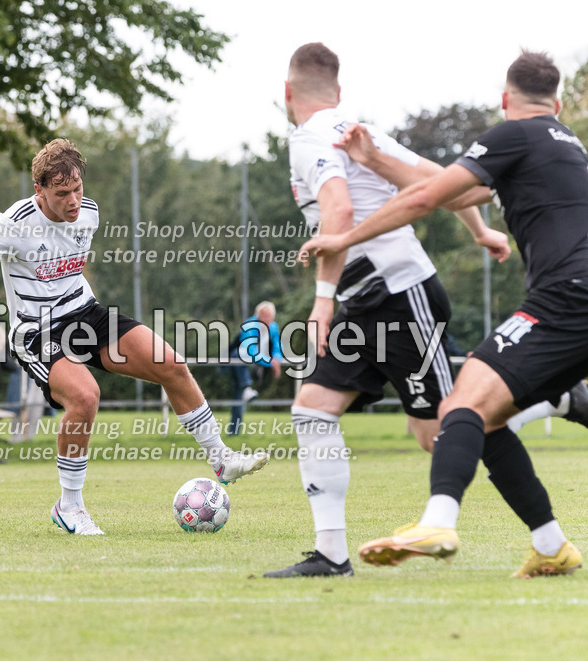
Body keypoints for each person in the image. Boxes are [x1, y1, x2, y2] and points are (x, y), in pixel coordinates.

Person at [0, 138, 269, 534]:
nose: (73, 200)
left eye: (77, 189)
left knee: (170, 364)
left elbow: (69, 266)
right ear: (39, 190)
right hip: (38, 332)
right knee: (85, 397)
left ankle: (222, 458)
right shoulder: (13, 224)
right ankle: (69, 506)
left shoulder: (88, 212)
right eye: (61, 193)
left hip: (85, 313)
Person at [300, 50, 586, 578]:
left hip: (568, 297)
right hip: (574, 301)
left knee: (461, 405)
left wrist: (344, 235)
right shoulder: (567, 145)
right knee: (490, 416)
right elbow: (467, 189)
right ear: (559, 101)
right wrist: (375, 158)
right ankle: (551, 546)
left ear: (505, 100)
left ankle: (438, 519)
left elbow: (427, 196)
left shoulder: (511, 136)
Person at [263, 43, 511, 579]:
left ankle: (553, 393)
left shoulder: (309, 138)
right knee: (312, 408)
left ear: (287, 92)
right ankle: (330, 556)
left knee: (438, 433)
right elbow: (440, 177)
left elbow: (340, 210)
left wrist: (321, 302)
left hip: (399, 295)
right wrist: (480, 229)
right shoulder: (359, 129)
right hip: (367, 304)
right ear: (338, 90)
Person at [228, 301, 283, 435]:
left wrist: (276, 359)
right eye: (263, 315)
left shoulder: (273, 327)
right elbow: (250, 351)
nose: (266, 319)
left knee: (239, 394)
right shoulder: (250, 325)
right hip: (238, 362)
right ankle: (234, 431)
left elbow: (277, 347)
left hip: (253, 365)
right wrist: (270, 362)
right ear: (258, 315)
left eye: (269, 316)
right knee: (238, 394)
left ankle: (234, 432)